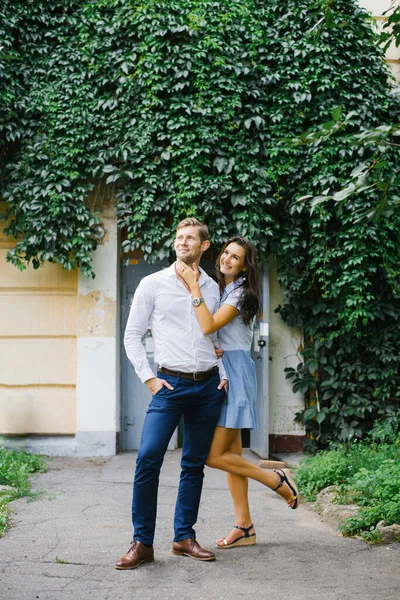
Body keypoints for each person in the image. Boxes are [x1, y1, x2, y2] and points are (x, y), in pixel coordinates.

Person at [116, 218, 228, 570]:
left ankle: (183, 536)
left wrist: (221, 373)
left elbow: (215, 338)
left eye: (190, 238)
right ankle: (142, 542)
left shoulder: (211, 287)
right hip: (169, 384)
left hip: (208, 386)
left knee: (193, 464)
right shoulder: (153, 285)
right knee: (148, 458)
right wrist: (149, 378)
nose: (182, 242)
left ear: (204, 246)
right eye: (179, 237)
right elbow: (132, 334)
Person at [177, 236, 299, 549]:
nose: (228, 260)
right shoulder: (224, 288)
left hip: (234, 372)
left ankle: (276, 480)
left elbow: (208, 325)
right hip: (222, 368)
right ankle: (244, 527)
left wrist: (193, 289)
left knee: (213, 456)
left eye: (236, 257)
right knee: (232, 456)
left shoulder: (242, 293)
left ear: (245, 265)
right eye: (226, 253)